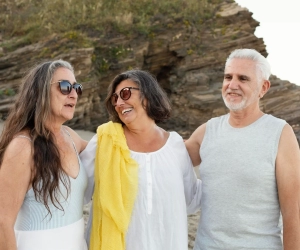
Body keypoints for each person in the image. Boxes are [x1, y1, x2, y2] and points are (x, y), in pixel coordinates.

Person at [185, 48, 300, 249]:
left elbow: (294, 214)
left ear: (263, 88)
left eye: (243, 78)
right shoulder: (207, 131)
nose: (232, 85)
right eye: (228, 77)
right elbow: (163, 157)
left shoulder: (280, 134)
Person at [80, 69, 202, 250]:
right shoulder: (104, 142)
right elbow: (77, 193)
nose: (119, 103)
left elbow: (191, 200)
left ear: (147, 95)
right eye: (115, 98)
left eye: (125, 94)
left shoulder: (175, 145)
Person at [0, 60, 89, 250]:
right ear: (40, 91)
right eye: (65, 87)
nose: (73, 94)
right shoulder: (23, 147)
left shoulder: (71, 137)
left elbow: (110, 151)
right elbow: (2, 222)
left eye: (77, 88)